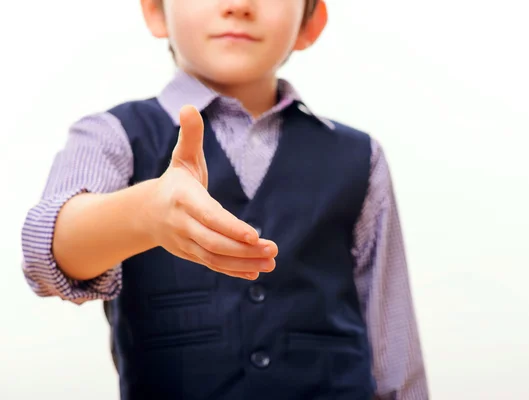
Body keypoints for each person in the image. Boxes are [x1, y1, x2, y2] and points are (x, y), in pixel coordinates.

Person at [20, 0, 429, 399]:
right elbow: (45, 255)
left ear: (311, 22)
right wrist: (146, 213)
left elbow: (395, 356)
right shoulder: (111, 136)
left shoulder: (361, 157)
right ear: (154, 10)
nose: (239, 4)